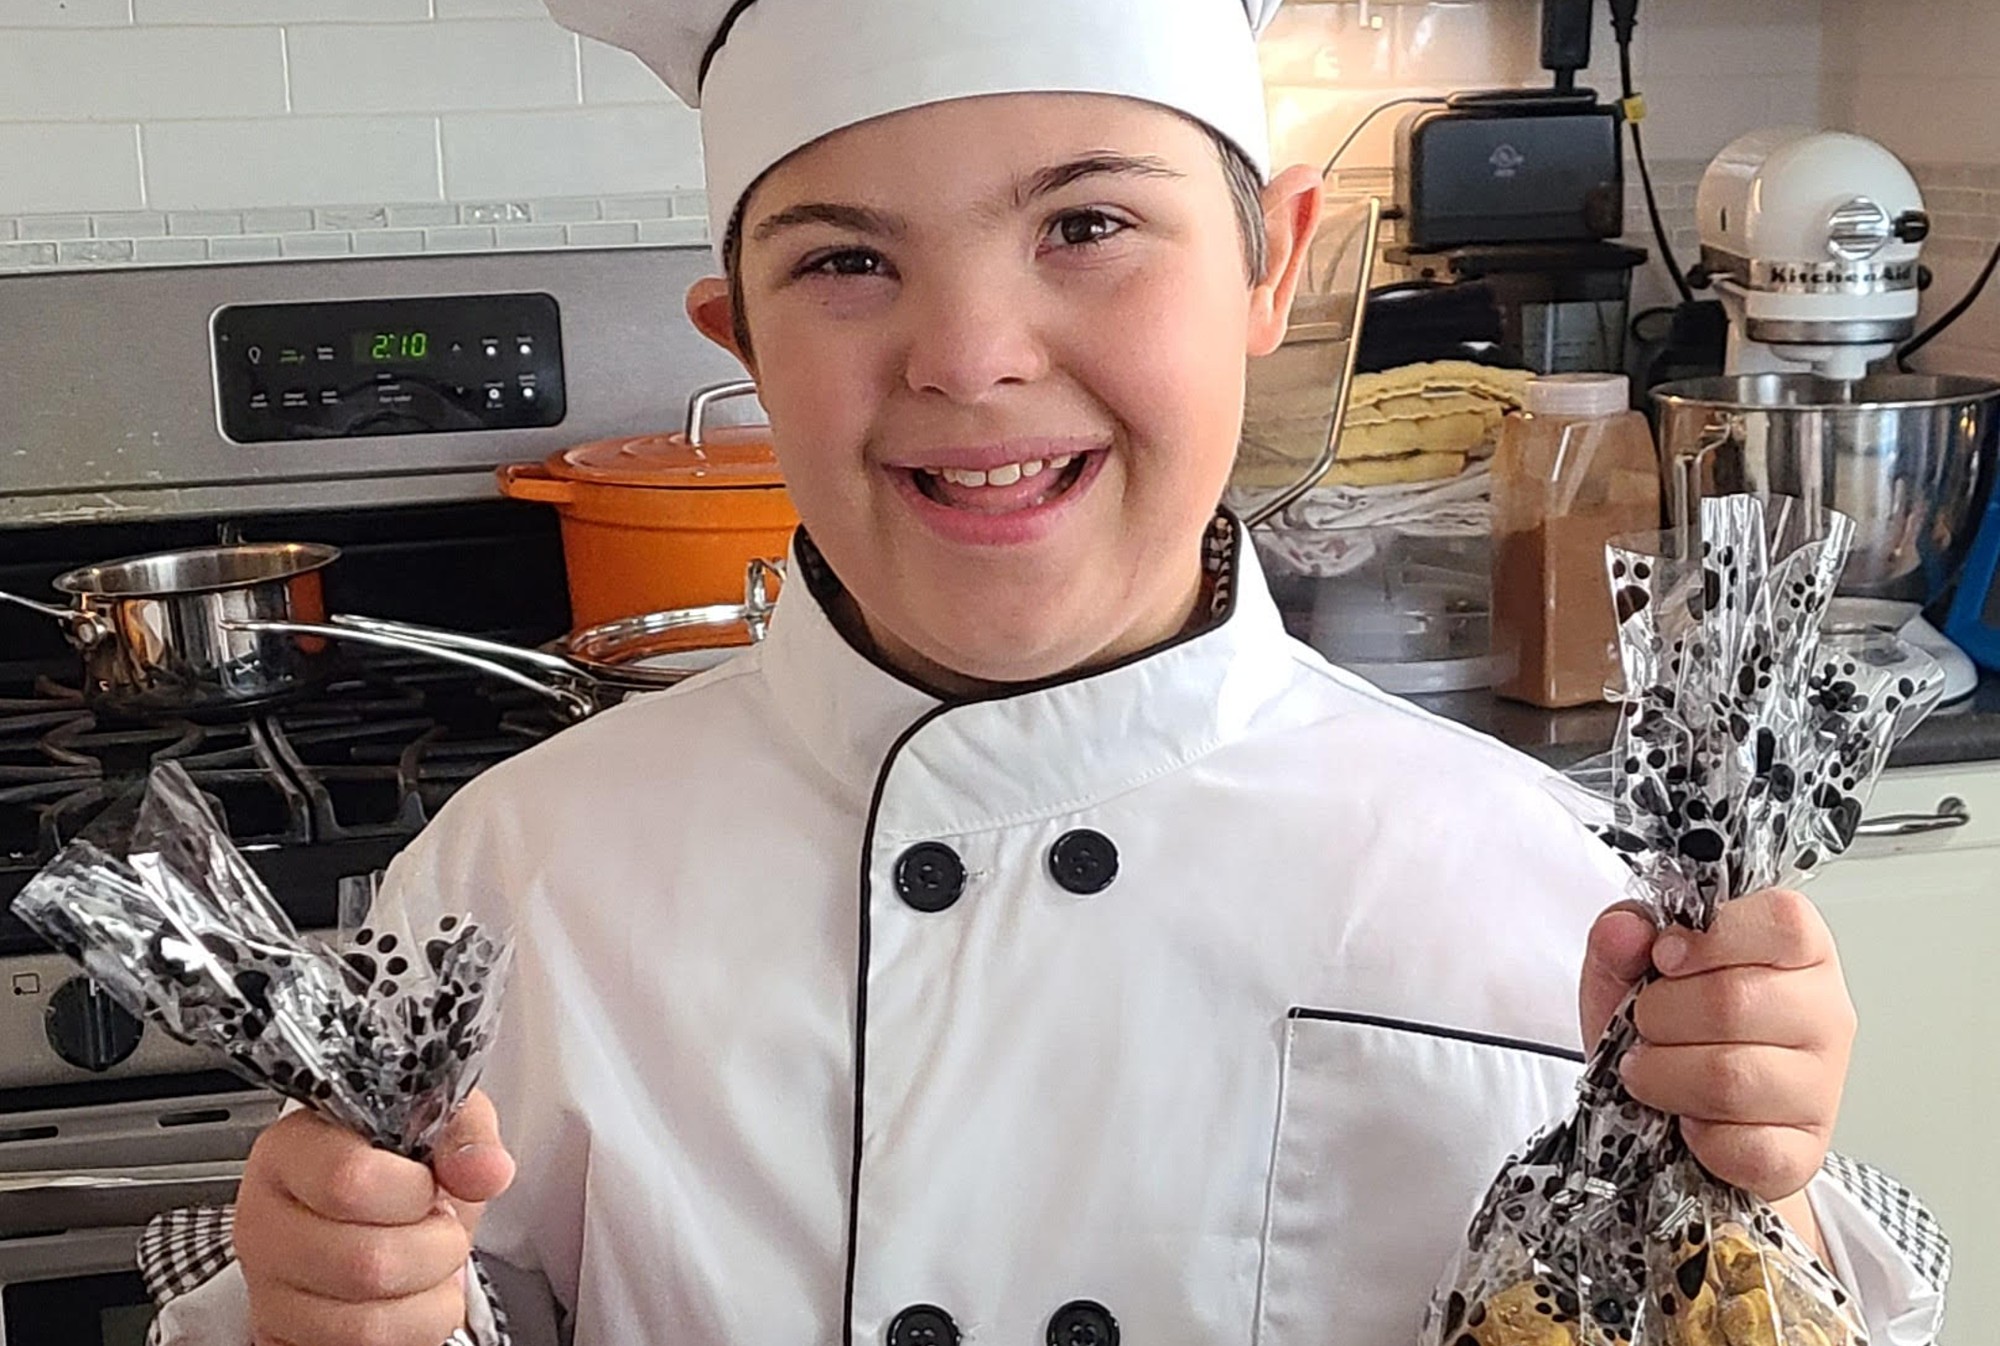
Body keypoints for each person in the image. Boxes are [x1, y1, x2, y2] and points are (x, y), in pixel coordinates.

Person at [147, 1, 1948, 1343]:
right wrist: (336, 1297)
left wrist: (1748, 1170)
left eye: (1085, 226)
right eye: (846, 261)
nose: (971, 355)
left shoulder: (1545, 894)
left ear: (1271, 261)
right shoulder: (517, 884)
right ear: (742, 340)